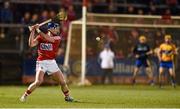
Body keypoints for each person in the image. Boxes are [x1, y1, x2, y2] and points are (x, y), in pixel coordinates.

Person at [20, 22, 74, 102]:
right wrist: (33, 31)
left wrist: (37, 29)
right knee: (38, 81)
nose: (58, 30)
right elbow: (31, 44)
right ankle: (24, 96)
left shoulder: (57, 38)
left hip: (52, 62)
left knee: (63, 82)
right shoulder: (40, 37)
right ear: (50, 29)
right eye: (56, 28)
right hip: (41, 62)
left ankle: (67, 97)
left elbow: (48, 39)